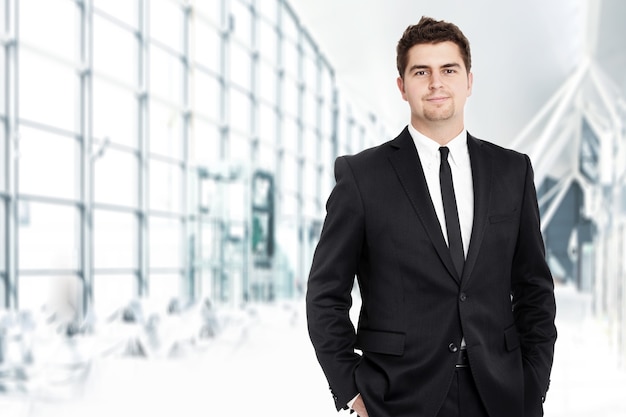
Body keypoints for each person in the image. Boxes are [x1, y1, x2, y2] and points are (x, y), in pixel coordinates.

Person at [306, 16, 557, 417]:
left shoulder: (512, 171)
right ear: (402, 86)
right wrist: (351, 388)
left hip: (500, 395)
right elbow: (325, 294)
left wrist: (534, 381)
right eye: (421, 71)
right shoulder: (363, 177)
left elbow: (534, 289)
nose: (436, 83)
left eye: (449, 70)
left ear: (469, 81)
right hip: (398, 398)